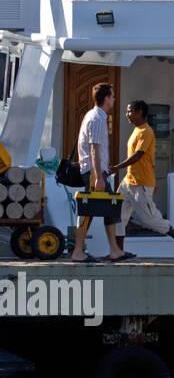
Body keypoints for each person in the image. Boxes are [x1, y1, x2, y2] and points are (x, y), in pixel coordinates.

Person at [111, 101, 174, 258]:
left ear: (140, 112)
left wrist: (116, 167)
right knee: (117, 216)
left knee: (149, 220)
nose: (127, 114)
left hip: (140, 183)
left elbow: (138, 155)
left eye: (130, 111)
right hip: (128, 182)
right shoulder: (136, 130)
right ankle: (118, 252)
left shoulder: (146, 131)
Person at [69, 82, 128, 263]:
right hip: (94, 173)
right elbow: (94, 149)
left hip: (97, 170)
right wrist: (99, 178)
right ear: (106, 99)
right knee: (88, 210)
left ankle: (115, 250)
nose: (114, 99)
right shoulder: (97, 119)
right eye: (112, 96)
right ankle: (78, 251)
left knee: (110, 208)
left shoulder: (95, 116)